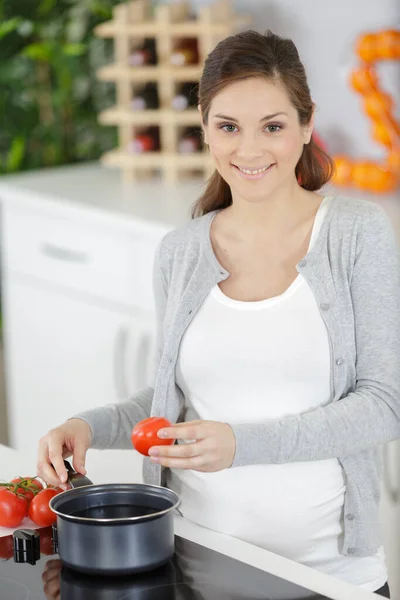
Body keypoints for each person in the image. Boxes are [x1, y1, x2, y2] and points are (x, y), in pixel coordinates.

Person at [37, 29, 400, 597]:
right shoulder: (180, 251)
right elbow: (170, 398)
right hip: (195, 564)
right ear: (204, 126)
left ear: (307, 126)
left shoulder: (356, 236)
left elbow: (385, 403)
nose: (249, 151)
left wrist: (241, 444)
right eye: (228, 126)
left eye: (273, 126)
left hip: (329, 576)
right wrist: (87, 425)